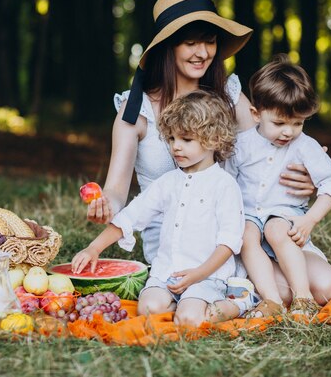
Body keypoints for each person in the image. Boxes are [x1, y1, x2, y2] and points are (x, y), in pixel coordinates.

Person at [86, 0, 319, 291]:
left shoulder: (229, 95)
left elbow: (263, 154)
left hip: (236, 227)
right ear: (168, 47)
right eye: (190, 43)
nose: (202, 53)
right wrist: (105, 204)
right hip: (177, 240)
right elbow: (116, 189)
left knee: (323, 286)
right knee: (287, 289)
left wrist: (310, 173)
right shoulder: (135, 110)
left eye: (209, 42)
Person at [73, 91, 251, 326]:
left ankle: (239, 302)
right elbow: (131, 216)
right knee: (147, 308)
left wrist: (198, 274)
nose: (176, 147)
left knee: (189, 319)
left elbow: (229, 242)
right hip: (166, 272)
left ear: (214, 139)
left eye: (186, 140)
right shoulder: (167, 182)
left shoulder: (224, 185)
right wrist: (94, 248)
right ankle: (184, 302)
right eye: (172, 139)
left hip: (206, 275)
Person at [224, 54, 331, 317]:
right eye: (279, 123)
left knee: (276, 227)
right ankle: (272, 301)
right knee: (247, 232)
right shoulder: (241, 145)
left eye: (297, 123)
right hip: (248, 219)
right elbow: (227, 184)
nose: (288, 132)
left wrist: (309, 220)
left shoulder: (305, 146)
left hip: (286, 220)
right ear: (256, 114)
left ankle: (303, 298)